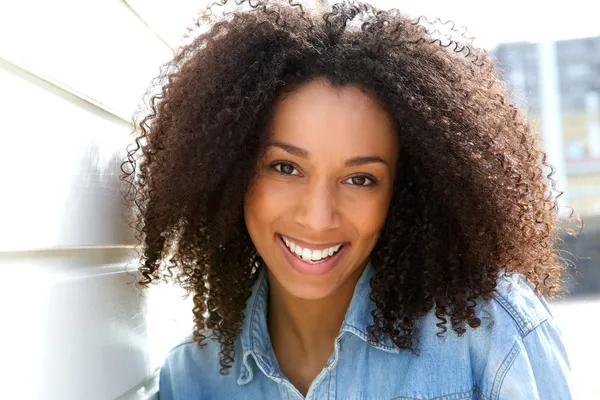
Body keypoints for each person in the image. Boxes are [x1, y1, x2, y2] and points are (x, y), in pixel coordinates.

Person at [122, 0, 581, 398]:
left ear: (405, 190)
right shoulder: (194, 378)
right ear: (230, 170)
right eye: (286, 168)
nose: (319, 217)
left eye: (360, 179)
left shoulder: (491, 334)